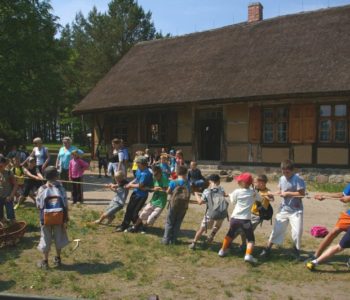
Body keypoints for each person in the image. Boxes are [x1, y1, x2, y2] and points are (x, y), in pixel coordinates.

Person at [260, 160, 306, 260]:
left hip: (296, 210)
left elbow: (302, 194)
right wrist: (273, 193)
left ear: (292, 170)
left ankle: (297, 251)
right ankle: (267, 249)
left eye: (287, 172)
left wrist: (288, 193)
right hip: (284, 209)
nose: (285, 174)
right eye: (283, 172)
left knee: (297, 232)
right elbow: (281, 191)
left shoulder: (298, 179)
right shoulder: (282, 178)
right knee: (277, 230)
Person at [218, 173, 261, 263]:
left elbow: (233, 202)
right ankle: (248, 255)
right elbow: (259, 199)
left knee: (230, 234)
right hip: (245, 220)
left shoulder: (236, 191)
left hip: (234, 219)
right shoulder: (253, 192)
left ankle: (222, 251)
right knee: (250, 238)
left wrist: (230, 195)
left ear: (242, 182)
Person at [305, 186, 350, 270]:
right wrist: (324, 196)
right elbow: (342, 194)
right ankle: (316, 256)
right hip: (348, 216)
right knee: (333, 232)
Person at [36, 166, 69, 269]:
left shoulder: (41, 189)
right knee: (58, 237)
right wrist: (66, 218)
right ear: (57, 176)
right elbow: (65, 204)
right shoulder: (61, 188)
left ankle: (45, 261)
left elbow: (38, 205)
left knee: (46, 238)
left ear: (45, 177)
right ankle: (58, 259)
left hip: (46, 218)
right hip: (59, 218)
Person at [189, 174, 229, 250]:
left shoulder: (207, 191)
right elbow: (224, 195)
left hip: (211, 213)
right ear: (218, 182)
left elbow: (200, 202)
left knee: (202, 228)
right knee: (217, 225)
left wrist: (196, 194)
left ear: (210, 182)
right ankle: (211, 236)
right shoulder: (221, 189)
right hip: (222, 211)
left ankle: (194, 242)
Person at [235, 174, 274, 250]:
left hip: (257, 216)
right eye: (255, 182)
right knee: (243, 230)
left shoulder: (267, 191)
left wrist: (267, 196)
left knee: (246, 230)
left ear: (262, 183)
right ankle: (244, 245)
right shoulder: (255, 189)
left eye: (256, 182)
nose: (255, 184)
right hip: (249, 213)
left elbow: (272, 199)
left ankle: (248, 246)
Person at [115, 156, 153, 232]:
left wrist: (130, 185)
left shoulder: (146, 173)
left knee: (135, 213)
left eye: (137, 163)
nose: (136, 164)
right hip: (135, 193)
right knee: (129, 210)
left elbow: (140, 185)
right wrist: (130, 183)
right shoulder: (139, 170)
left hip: (142, 196)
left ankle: (138, 226)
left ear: (142, 164)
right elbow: (136, 179)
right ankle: (124, 225)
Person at [129, 165, 169, 233]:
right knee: (143, 214)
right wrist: (153, 189)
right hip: (153, 201)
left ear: (160, 173)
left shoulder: (164, 179)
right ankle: (134, 226)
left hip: (161, 203)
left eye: (156, 175)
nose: (155, 177)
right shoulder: (154, 179)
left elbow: (167, 190)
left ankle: (145, 227)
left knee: (151, 218)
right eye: (153, 175)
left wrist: (160, 189)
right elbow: (150, 189)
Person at [162, 165, 190, 245]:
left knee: (169, 222)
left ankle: (166, 240)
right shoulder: (188, 183)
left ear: (177, 172)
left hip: (173, 204)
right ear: (186, 173)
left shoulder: (174, 182)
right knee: (178, 222)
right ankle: (173, 240)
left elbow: (168, 192)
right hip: (183, 206)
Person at [0, 154, 18, 224]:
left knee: (11, 216)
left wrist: (11, 196)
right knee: (1, 217)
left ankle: (14, 226)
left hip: (8, 197)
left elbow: (15, 185)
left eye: (1, 166)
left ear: (4, 164)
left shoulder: (9, 172)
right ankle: (5, 225)